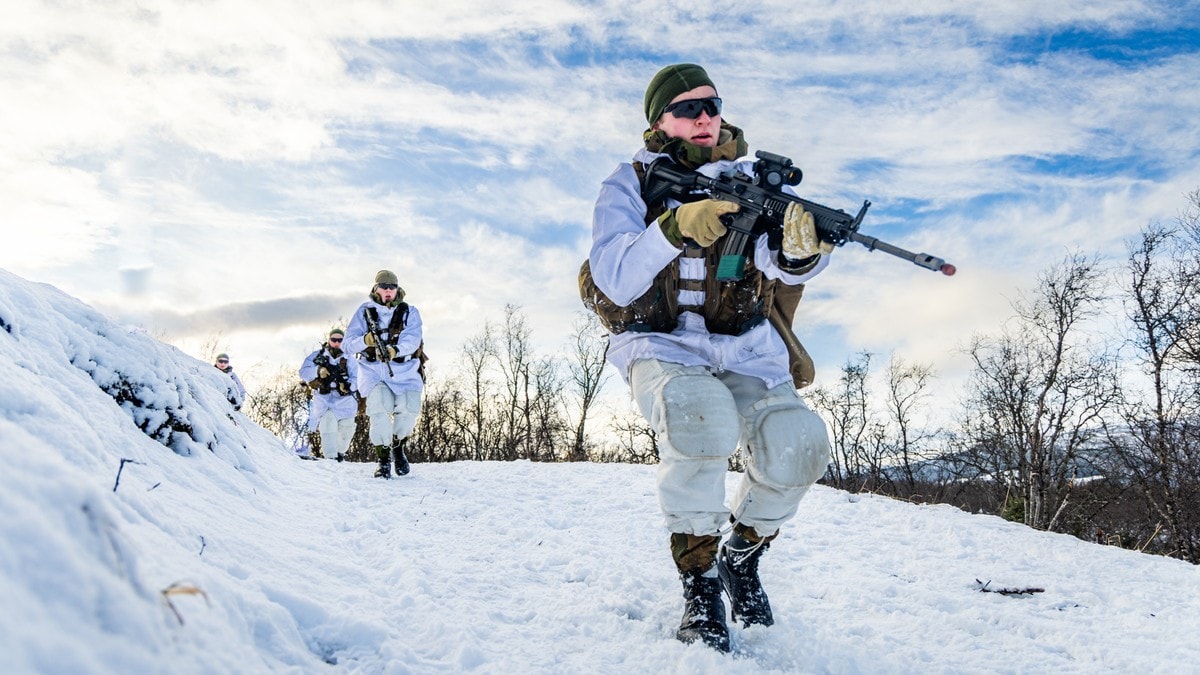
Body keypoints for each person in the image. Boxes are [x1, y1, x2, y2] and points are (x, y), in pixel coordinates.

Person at [584, 64, 833, 652]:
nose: (703, 118)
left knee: (798, 446)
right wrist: (672, 228)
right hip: (660, 342)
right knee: (700, 421)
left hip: (746, 346)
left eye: (711, 105)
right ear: (659, 121)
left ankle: (741, 557)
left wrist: (802, 253)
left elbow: (784, 263)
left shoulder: (756, 179)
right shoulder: (630, 183)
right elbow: (614, 276)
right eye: (686, 108)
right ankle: (699, 584)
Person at [343, 270, 424, 479]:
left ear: (397, 289)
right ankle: (384, 459)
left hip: (405, 371)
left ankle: (398, 446)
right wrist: (366, 340)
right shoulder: (364, 311)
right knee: (379, 411)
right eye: (384, 287)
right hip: (374, 371)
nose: (388, 291)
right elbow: (348, 344)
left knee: (407, 411)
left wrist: (394, 350)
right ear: (376, 288)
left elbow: (413, 339)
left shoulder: (409, 312)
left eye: (392, 287)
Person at [299, 328, 359, 461]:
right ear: (329, 340)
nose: (336, 343)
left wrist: (348, 385)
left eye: (340, 340)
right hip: (324, 399)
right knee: (327, 423)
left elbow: (358, 378)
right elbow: (303, 372)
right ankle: (331, 458)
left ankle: (340, 452)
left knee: (347, 429)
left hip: (345, 401)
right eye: (334, 340)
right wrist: (318, 370)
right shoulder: (317, 356)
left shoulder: (349, 359)